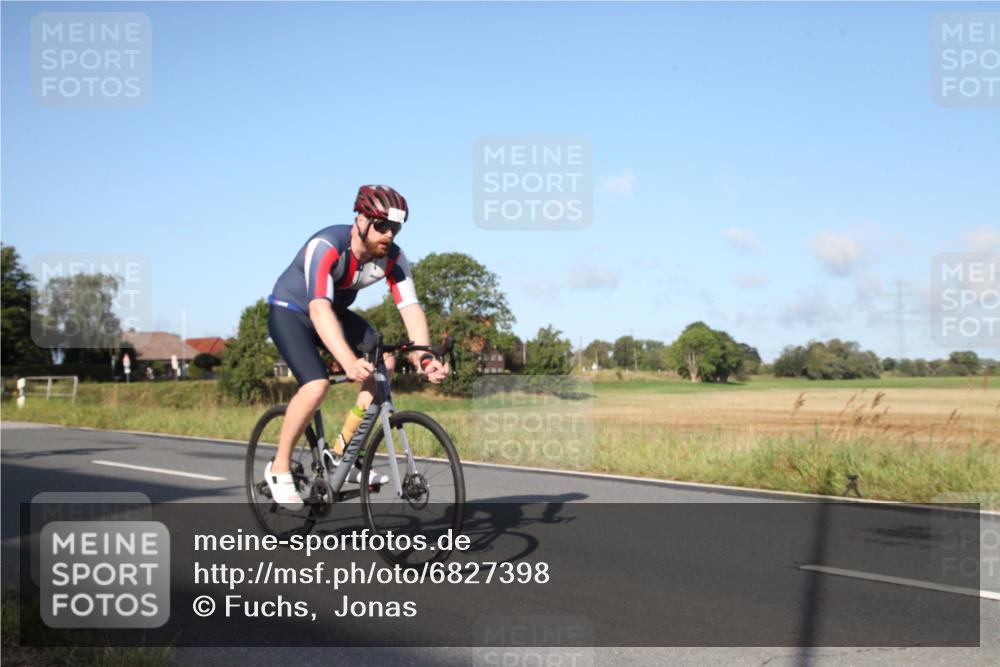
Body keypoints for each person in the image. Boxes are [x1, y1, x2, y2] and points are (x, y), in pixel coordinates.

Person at [265, 185, 449, 509]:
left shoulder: (393, 258)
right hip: (291, 312)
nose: (389, 235)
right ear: (361, 221)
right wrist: (349, 361)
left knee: (385, 364)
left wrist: (424, 356)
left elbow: (410, 307)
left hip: (332, 313)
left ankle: (342, 452)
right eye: (381, 226)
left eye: (395, 228)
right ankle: (279, 467)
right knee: (316, 385)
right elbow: (318, 309)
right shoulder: (326, 246)